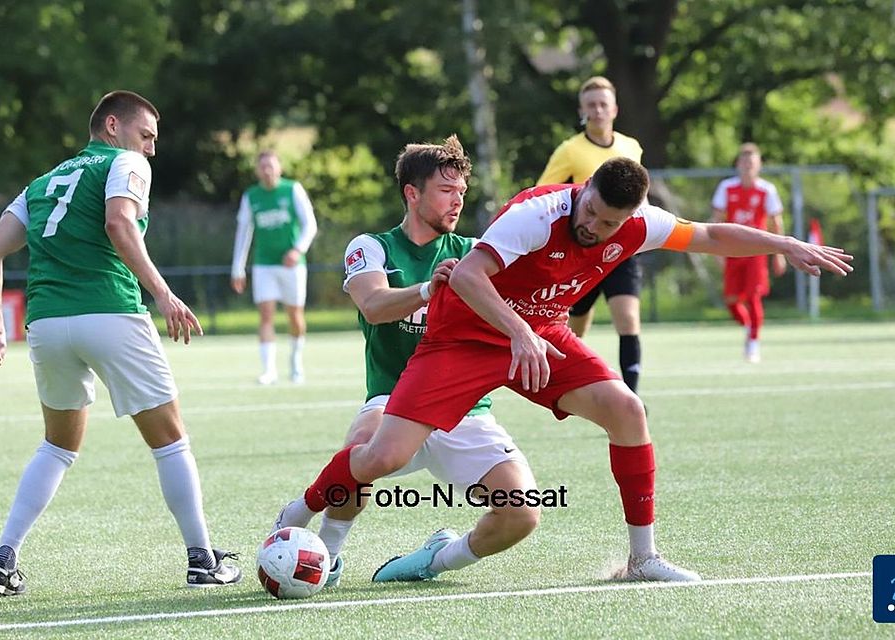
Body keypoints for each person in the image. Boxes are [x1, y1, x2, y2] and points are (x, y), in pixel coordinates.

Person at [277, 157, 852, 584]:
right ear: (584, 192)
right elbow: (472, 277)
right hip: (468, 335)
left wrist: (784, 242)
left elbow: (707, 235)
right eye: (591, 211)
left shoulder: (639, 224)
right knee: (381, 458)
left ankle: (642, 559)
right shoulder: (537, 212)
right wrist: (519, 332)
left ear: (629, 219)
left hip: (542, 331)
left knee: (627, 410)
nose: (593, 227)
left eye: (608, 224)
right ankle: (299, 512)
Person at [0, 90, 241, 595]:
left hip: (47, 325)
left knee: (56, 445)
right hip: (110, 310)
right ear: (112, 126)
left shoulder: (43, 182)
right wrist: (162, 294)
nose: (152, 150)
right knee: (170, 439)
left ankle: (3, 560)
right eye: (147, 136)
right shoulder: (125, 162)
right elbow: (119, 222)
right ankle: (202, 558)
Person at [275, 135, 538, 586]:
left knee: (524, 514)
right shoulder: (372, 246)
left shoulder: (474, 254)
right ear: (412, 193)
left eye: (461, 192)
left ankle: (432, 560)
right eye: (445, 191)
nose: (457, 201)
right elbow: (373, 305)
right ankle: (329, 557)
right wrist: (426, 290)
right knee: (360, 441)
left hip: (464, 411)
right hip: (393, 399)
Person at [537, 76, 645, 394]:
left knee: (627, 319)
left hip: (621, 250)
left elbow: (640, 196)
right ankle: (565, 383)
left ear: (614, 109)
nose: (598, 110)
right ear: (582, 111)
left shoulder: (631, 147)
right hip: (582, 251)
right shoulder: (569, 150)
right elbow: (545, 193)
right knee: (575, 327)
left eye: (603, 104)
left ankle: (632, 397)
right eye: (591, 105)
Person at [231, 151, 318, 384]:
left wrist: (298, 250)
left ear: (279, 167)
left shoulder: (292, 190)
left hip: (292, 265)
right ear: (257, 170)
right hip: (264, 265)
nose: (267, 170)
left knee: (295, 315)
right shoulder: (251, 196)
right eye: (263, 167)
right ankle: (269, 370)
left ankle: (295, 363)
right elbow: (244, 232)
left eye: (271, 166)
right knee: (266, 315)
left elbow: (310, 224)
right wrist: (237, 268)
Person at [711, 143, 786, 363]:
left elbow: (776, 223)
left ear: (759, 165)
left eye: (752, 162)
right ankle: (749, 329)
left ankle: (753, 342)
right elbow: (716, 220)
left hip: (756, 251)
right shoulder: (726, 188)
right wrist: (715, 250)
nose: (748, 166)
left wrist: (779, 254)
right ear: (738, 164)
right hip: (732, 251)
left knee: (753, 297)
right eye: (744, 162)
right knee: (732, 300)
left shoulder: (767, 190)